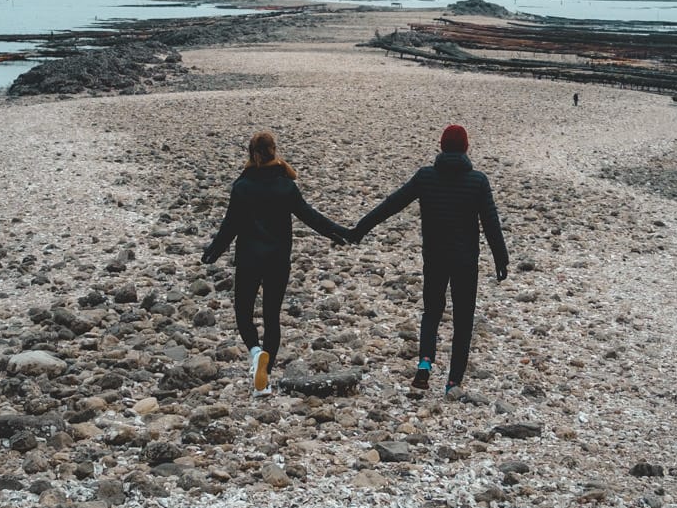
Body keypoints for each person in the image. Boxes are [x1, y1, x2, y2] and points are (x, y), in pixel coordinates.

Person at [352, 124, 507, 396]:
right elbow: (490, 222)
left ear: (441, 146)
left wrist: (360, 229)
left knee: (432, 312)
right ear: (466, 148)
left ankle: (424, 365)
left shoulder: (426, 177)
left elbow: (392, 204)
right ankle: (453, 382)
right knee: (463, 320)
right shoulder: (478, 181)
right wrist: (501, 258)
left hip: (435, 258)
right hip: (465, 261)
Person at [202, 130, 349, 393]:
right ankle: (265, 378)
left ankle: (256, 353)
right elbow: (310, 217)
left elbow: (230, 225)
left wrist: (213, 251)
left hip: (249, 259)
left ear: (251, 153)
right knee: (272, 316)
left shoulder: (242, 187)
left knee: (244, 313)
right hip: (278, 261)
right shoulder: (286, 186)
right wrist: (339, 233)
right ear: (274, 151)